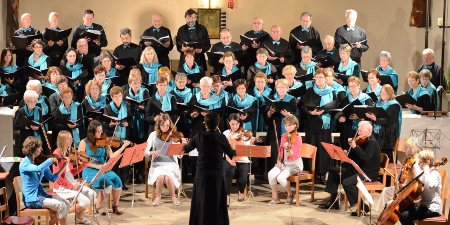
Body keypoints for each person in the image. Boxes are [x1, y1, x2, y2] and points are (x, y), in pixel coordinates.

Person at [182, 112, 236, 225]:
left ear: (205, 123)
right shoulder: (221, 137)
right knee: (216, 198)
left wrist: (184, 143)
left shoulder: (199, 136)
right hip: (216, 172)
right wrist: (233, 148)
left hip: (203, 173)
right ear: (218, 124)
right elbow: (231, 153)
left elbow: (186, 149)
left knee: (202, 198)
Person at [319, 121, 380, 216]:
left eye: (361, 131)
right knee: (334, 171)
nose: (358, 133)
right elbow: (353, 157)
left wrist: (355, 147)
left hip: (367, 174)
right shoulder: (362, 141)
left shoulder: (372, 142)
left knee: (347, 183)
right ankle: (333, 202)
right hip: (356, 170)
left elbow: (365, 159)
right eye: (358, 130)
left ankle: (363, 207)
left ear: (369, 131)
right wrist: (346, 152)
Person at [79, 120, 131, 215]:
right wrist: (96, 166)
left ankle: (116, 206)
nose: (100, 133)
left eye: (101, 131)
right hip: (89, 169)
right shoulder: (84, 142)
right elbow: (81, 161)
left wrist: (123, 147)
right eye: (98, 132)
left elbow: (112, 156)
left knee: (117, 180)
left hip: (103, 168)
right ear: (91, 132)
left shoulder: (104, 140)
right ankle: (99, 205)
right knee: (105, 181)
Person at [19, 136, 69, 225]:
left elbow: (52, 178)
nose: (42, 149)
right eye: (39, 147)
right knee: (61, 205)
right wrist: (49, 160)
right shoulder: (24, 163)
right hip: (32, 199)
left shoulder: (39, 162)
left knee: (66, 203)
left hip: (41, 195)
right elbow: (38, 169)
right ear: (33, 148)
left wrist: (64, 166)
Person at [302, 68, 337, 184]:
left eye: (321, 77)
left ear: (326, 79)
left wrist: (325, 111)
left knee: (323, 150)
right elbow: (304, 106)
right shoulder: (310, 91)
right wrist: (311, 112)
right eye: (316, 77)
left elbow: (335, 107)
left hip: (325, 126)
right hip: (311, 123)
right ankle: (312, 174)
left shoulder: (332, 92)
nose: (318, 79)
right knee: (312, 148)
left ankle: (322, 175)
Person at [52, 130, 94, 225]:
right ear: (63, 140)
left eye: (71, 139)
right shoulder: (57, 154)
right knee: (85, 202)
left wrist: (84, 165)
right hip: (62, 187)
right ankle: (61, 214)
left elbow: (72, 173)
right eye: (69, 139)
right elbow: (56, 177)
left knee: (92, 194)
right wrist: (71, 187)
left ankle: (78, 216)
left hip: (71, 184)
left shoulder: (68, 153)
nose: (71, 141)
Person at [145, 114, 187, 206]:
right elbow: (145, 151)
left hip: (171, 163)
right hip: (157, 163)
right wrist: (152, 152)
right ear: (159, 125)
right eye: (163, 125)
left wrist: (182, 147)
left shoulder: (173, 136)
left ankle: (173, 197)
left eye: (167, 125)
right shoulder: (153, 135)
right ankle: (158, 196)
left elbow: (179, 156)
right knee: (160, 177)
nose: (165, 128)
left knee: (168, 178)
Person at [375, 136, 421, 213]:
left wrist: (406, 186)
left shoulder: (417, 162)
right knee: (386, 190)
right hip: (403, 188)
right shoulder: (407, 159)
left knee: (391, 201)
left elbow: (419, 180)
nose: (405, 149)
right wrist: (398, 178)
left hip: (411, 192)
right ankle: (381, 214)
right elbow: (402, 173)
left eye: (407, 148)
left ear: (414, 149)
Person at [266, 115, 303, 205]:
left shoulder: (298, 138)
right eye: (286, 125)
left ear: (295, 125)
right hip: (284, 163)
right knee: (270, 174)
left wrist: (289, 148)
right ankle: (275, 197)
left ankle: (290, 194)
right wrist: (278, 160)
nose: (287, 127)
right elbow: (280, 151)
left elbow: (294, 154)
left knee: (280, 178)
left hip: (295, 164)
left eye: (289, 125)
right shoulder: (284, 136)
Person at [400, 150, 443, 224]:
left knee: (405, 216)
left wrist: (426, 171)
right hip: (424, 204)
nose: (419, 164)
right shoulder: (425, 173)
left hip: (433, 207)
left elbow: (430, 186)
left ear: (427, 162)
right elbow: (419, 191)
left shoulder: (434, 173)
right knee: (401, 210)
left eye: (420, 162)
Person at [264, 79, 297, 171]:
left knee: (286, 153)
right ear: (276, 88)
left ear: (287, 88)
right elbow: (265, 114)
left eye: (283, 87)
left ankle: (286, 173)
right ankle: (273, 174)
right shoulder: (271, 97)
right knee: (275, 153)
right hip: (274, 128)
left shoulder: (291, 99)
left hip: (287, 130)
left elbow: (296, 116)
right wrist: (270, 112)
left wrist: (288, 115)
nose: (281, 89)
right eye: (279, 87)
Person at [222, 113, 255, 205]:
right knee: (228, 173)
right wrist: (229, 160)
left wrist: (251, 142)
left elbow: (248, 149)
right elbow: (222, 149)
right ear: (229, 123)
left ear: (239, 123)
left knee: (242, 178)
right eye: (232, 124)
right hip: (229, 159)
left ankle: (241, 191)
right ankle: (227, 196)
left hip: (242, 159)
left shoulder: (244, 133)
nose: (235, 126)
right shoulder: (225, 134)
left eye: (236, 124)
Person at [104, 86, 132, 189]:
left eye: (120, 96)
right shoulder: (108, 108)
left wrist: (128, 123)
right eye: (115, 97)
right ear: (111, 97)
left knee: (124, 163)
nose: (118, 99)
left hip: (124, 137)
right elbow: (105, 124)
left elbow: (131, 120)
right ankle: (115, 182)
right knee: (115, 162)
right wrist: (110, 124)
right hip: (113, 139)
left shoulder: (127, 106)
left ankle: (122, 183)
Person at [366, 84, 401, 162]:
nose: (382, 94)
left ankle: (386, 174)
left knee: (386, 158)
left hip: (388, 135)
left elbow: (388, 121)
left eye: (385, 93)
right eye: (381, 92)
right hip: (377, 134)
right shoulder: (378, 103)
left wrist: (375, 119)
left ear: (390, 94)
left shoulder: (394, 105)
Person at [338, 76, 372, 152]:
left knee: (358, 152)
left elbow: (370, 115)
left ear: (359, 86)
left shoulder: (366, 99)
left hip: (360, 131)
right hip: (347, 128)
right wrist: (341, 117)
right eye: (350, 86)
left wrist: (359, 116)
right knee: (347, 151)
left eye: (354, 86)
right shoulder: (346, 99)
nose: (352, 88)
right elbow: (340, 112)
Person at [14, 90, 46, 157]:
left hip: (35, 139)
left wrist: (38, 127)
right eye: (30, 101)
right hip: (25, 139)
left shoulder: (39, 110)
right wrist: (25, 127)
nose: (33, 104)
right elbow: (16, 125)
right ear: (26, 101)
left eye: (35, 101)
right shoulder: (21, 111)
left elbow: (42, 124)